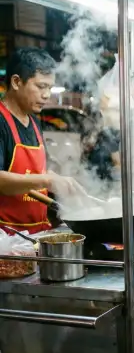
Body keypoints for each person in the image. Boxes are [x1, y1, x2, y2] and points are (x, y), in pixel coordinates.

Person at [0, 47, 80, 233]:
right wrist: (48, 180)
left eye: (50, 88)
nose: (46, 95)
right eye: (41, 86)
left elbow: (34, 172)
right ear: (17, 82)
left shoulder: (34, 121)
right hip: (5, 243)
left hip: (34, 237)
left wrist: (59, 180)